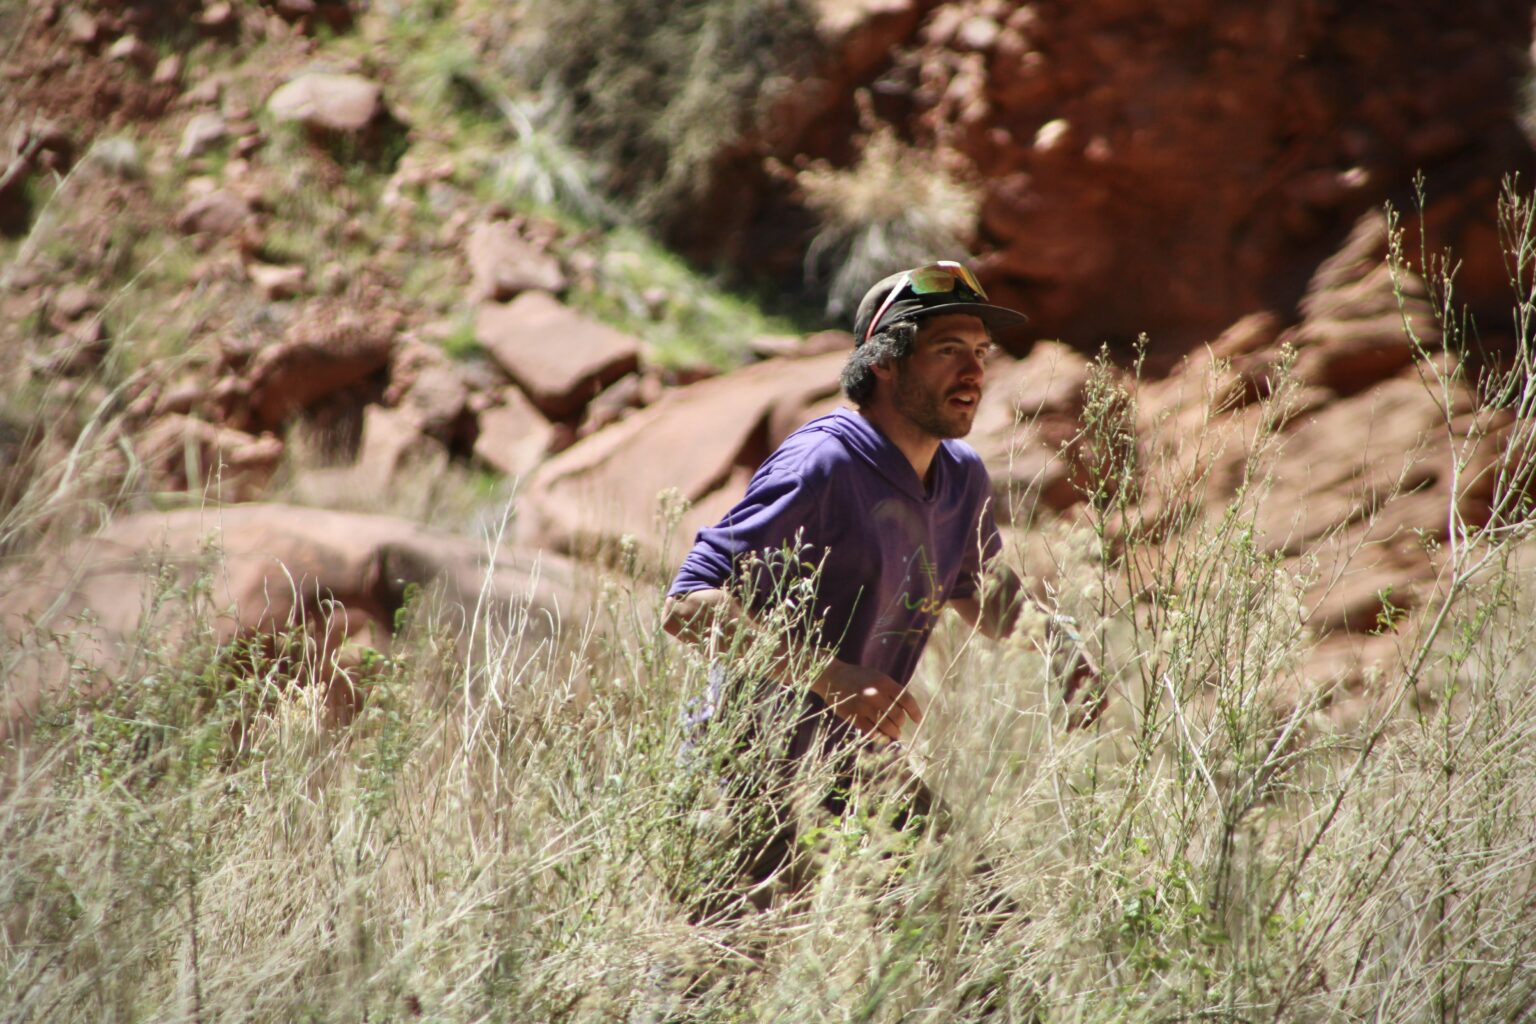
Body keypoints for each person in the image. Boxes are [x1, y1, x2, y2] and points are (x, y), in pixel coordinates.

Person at [662, 260, 1097, 906]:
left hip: (857, 768)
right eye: (947, 350)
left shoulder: (961, 476)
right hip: (743, 774)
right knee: (719, 986)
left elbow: (973, 588)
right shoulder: (824, 463)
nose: (974, 372)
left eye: (980, 352)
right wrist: (830, 676)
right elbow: (686, 605)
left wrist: (1060, 649)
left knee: (978, 928)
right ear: (885, 363)